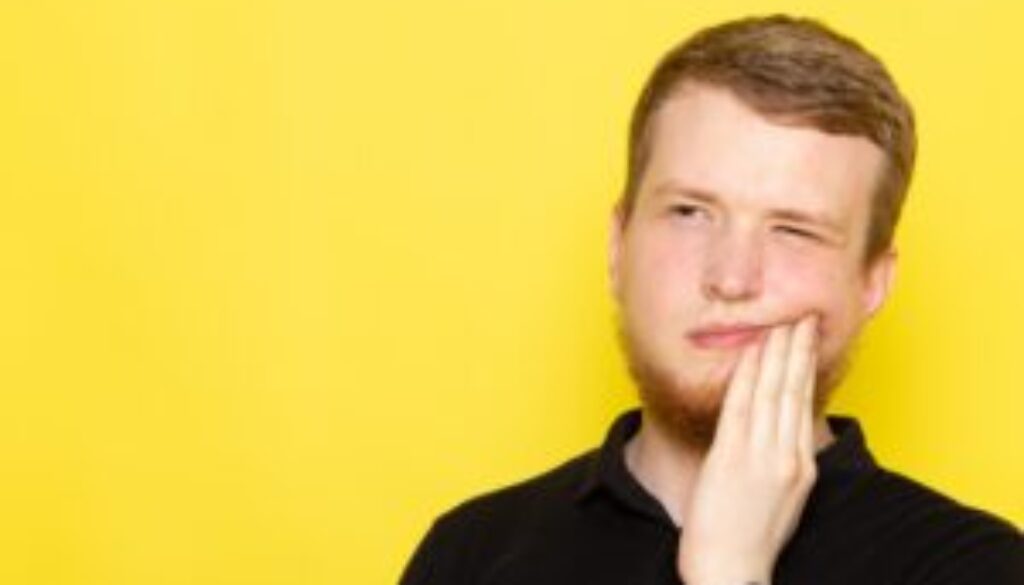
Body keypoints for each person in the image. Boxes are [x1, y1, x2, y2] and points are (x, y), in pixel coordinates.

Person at [398, 14, 1024, 585]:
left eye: (793, 230)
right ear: (619, 246)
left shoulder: (976, 566)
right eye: (691, 212)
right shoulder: (471, 552)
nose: (731, 277)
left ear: (872, 283)